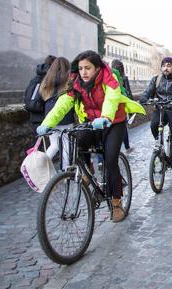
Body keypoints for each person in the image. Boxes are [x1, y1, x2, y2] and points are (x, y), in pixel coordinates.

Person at [37, 50, 145, 222]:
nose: (83, 72)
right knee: (77, 139)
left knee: (110, 161)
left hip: (113, 121)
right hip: (91, 121)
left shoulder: (110, 79)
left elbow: (111, 99)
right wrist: (47, 124)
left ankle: (117, 203)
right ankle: (87, 170)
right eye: (80, 68)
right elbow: (63, 103)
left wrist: (106, 117)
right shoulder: (76, 82)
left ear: (97, 68)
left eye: (88, 68)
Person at [140, 57, 172, 176]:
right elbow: (147, 92)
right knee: (154, 126)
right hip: (161, 109)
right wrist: (144, 98)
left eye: (169, 66)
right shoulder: (156, 79)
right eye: (164, 66)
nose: (166, 68)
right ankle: (160, 150)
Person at [39, 57, 74, 170]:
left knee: (54, 145)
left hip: (50, 116)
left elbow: (43, 96)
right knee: (66, 147)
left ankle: (42, 166)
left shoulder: (47, 80)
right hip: (65, 117)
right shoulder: (68, 80)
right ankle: (66, 171)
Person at [24, 55, 56, 131]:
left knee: (41, 141)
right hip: (41, 118)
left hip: (38, 118)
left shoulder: (37, 78)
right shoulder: (44, 79)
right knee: (41, 142)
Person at [111, 59, 133, 151]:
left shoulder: (110, 76)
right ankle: (127, 146)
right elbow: (128, 92)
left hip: (112, 104)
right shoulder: (124, 78)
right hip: (122, 104)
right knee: (123, 125)